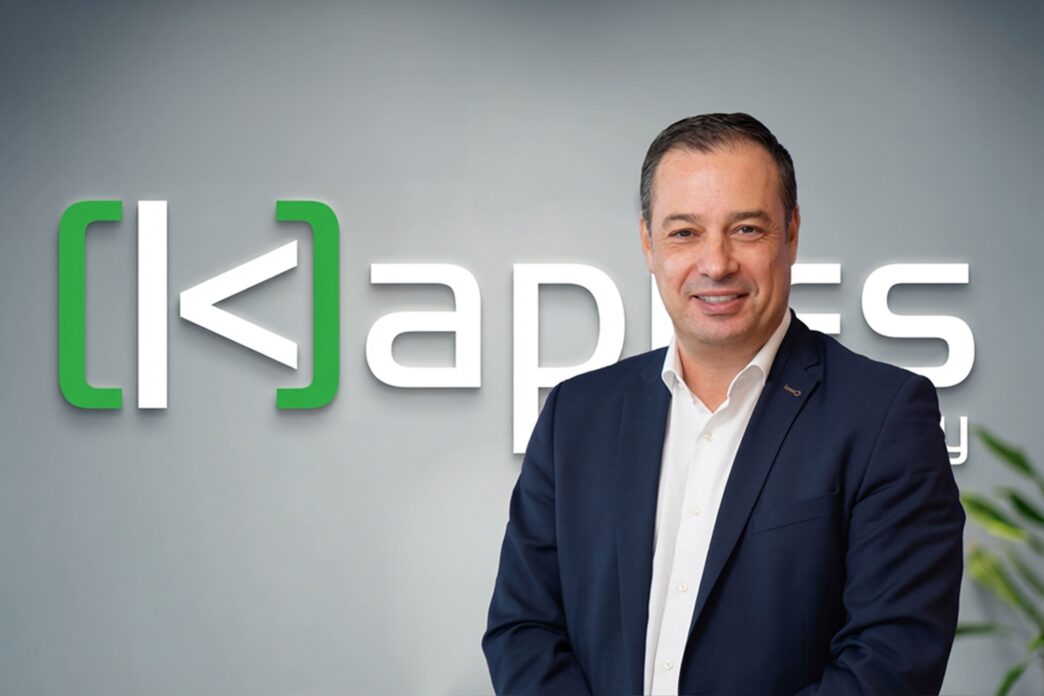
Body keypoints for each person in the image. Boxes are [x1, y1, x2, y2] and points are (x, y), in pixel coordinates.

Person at [482, 113, 964, 695]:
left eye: (746, 229)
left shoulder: (884, 417)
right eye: (684, 233)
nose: (716, 263)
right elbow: (523, 630)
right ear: (648, 242)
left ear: (791, 233)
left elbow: (888, 664)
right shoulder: (575, 417)